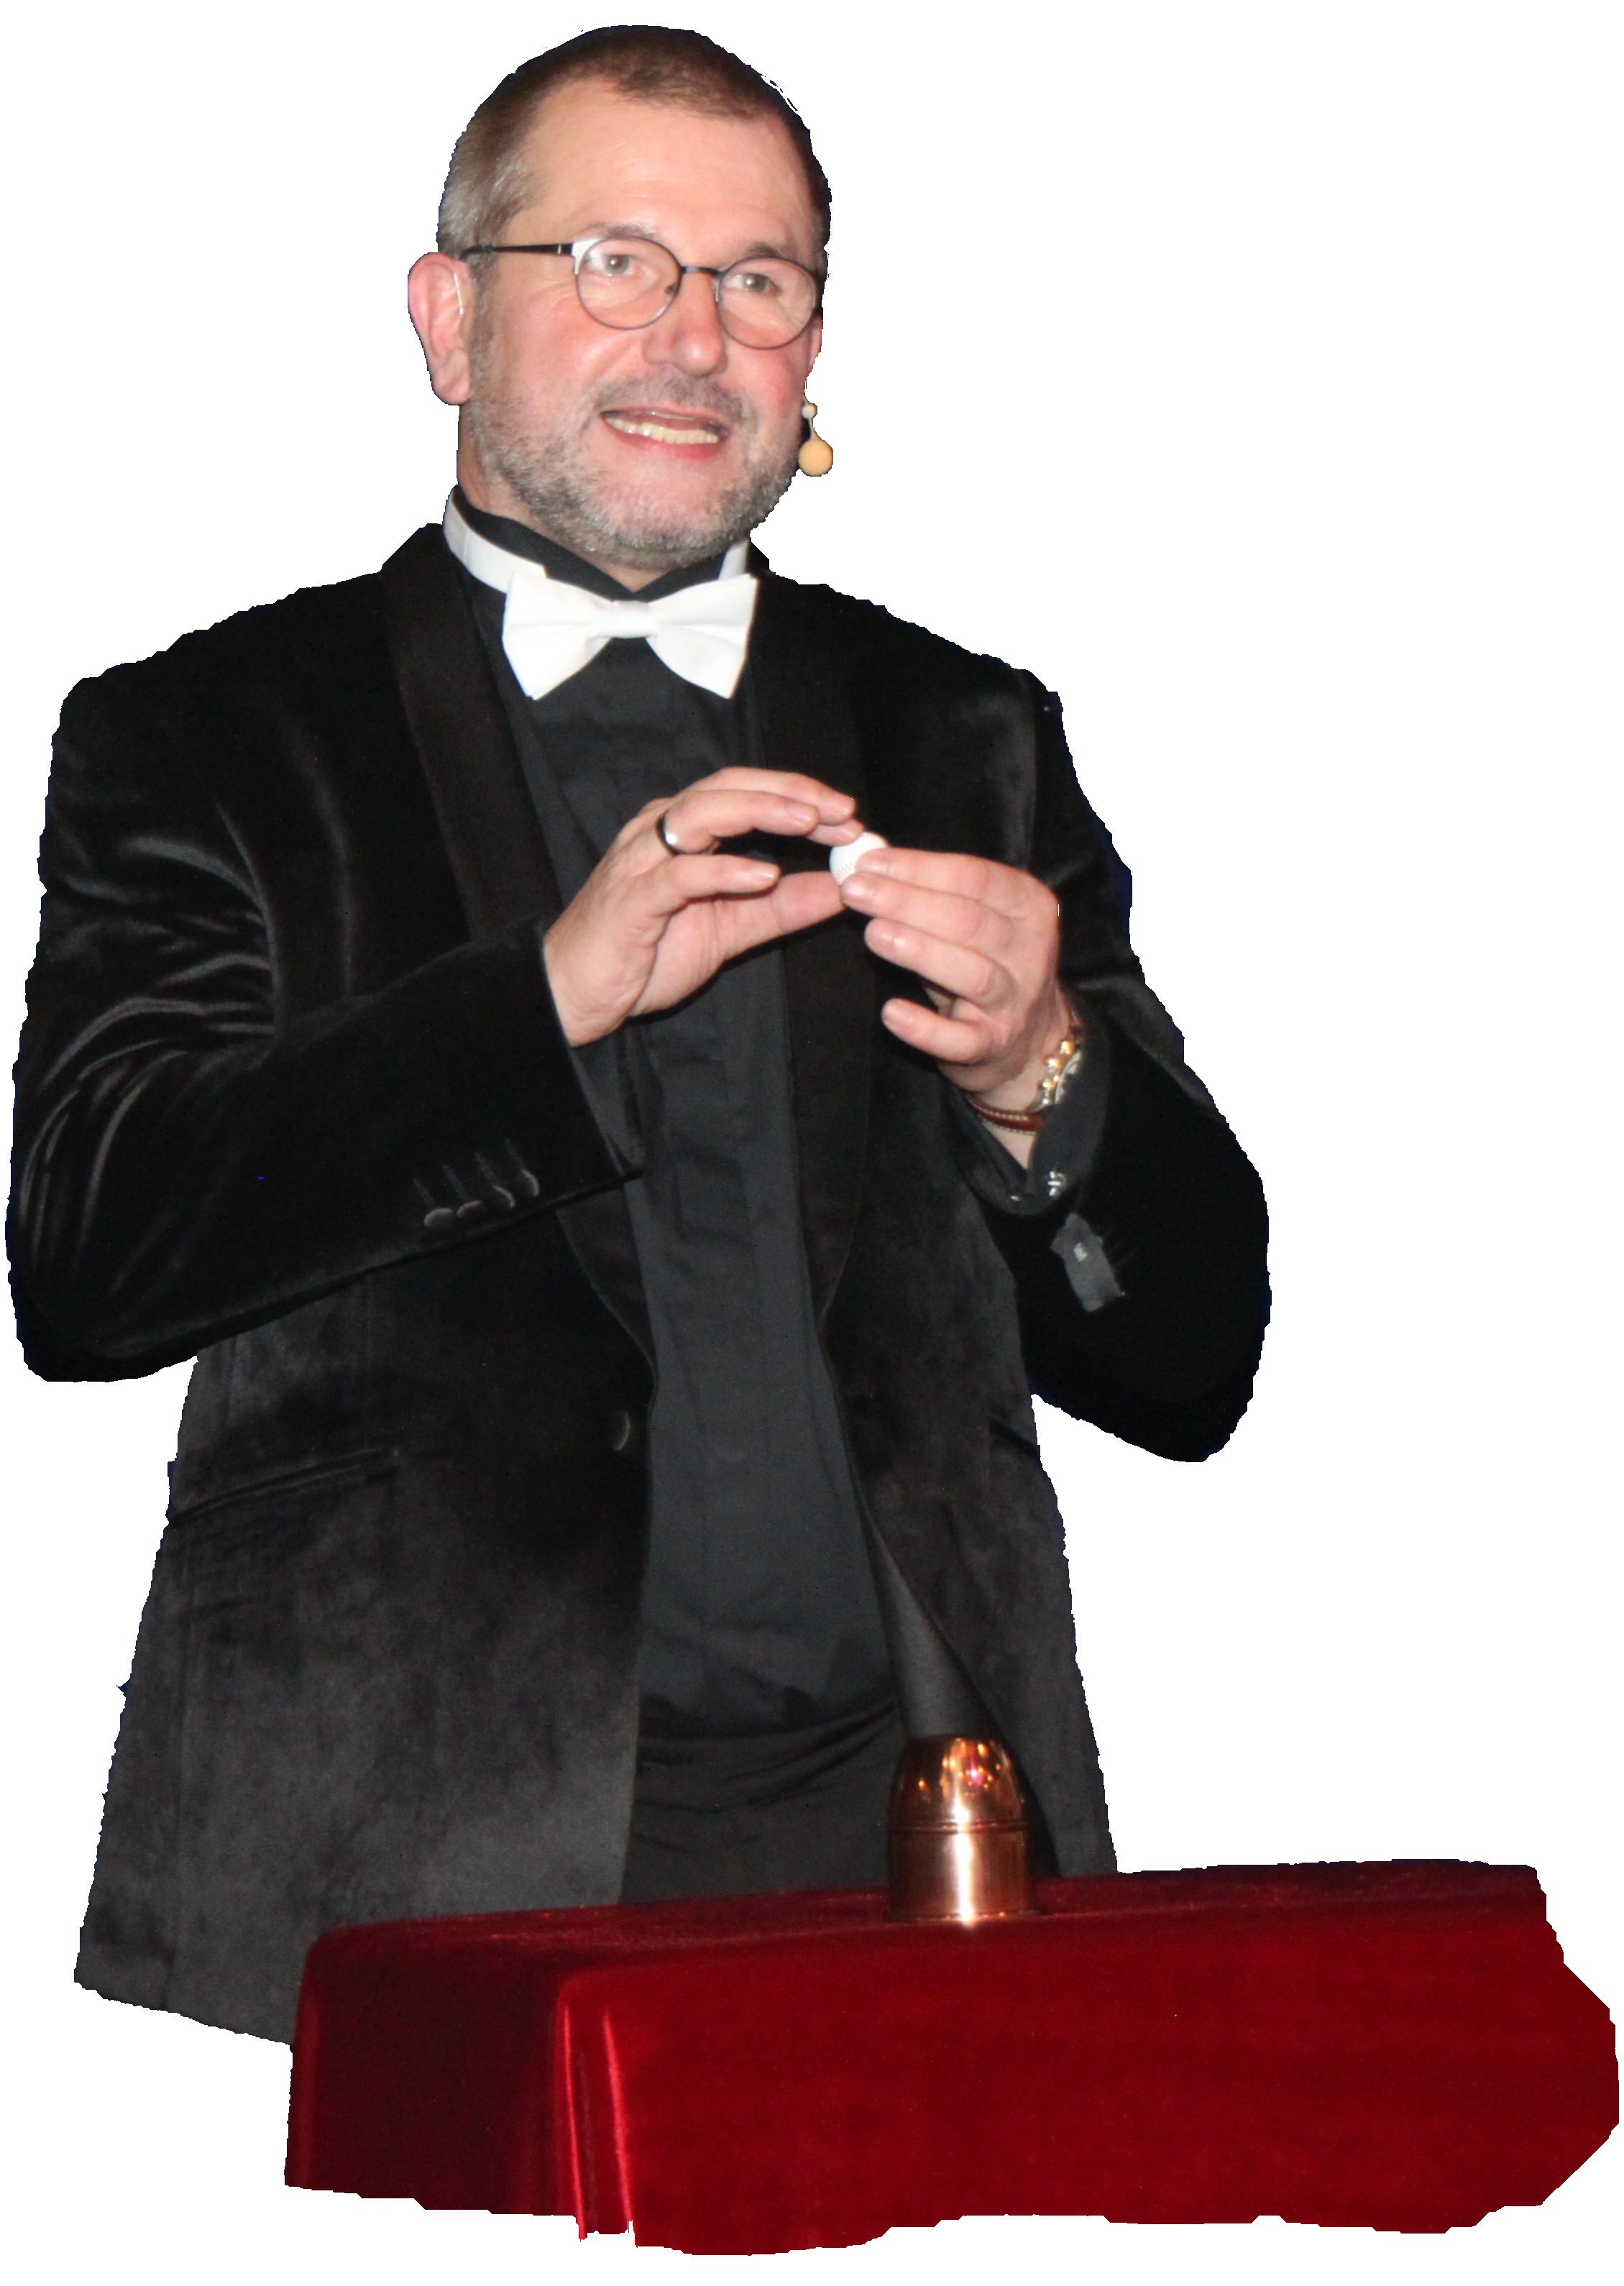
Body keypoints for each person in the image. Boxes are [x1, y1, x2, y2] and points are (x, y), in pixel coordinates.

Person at [12, 29, 1267, 2047]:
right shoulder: (211, 729)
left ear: (812, 353)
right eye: (617, 262)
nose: (694, 337)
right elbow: (91, 1248)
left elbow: (1198, 1349)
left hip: (928, 1852)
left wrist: (1040, 1067)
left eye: (757, 281)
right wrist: (541, 1005)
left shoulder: (964, 730)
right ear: (449, 322)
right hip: (403, 1868)